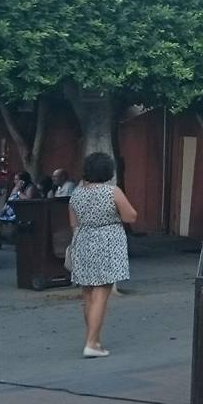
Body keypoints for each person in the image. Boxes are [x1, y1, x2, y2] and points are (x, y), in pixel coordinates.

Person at [66, 152, 136, 358]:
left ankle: (93, 339)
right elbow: (130, 216)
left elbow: (73, 223)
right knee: (102, 293)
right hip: (107, 242)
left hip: (83, 241)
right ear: (108, 171)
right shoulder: (112, 191)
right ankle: (91, 344)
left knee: (88, 294)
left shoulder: (76, 194)